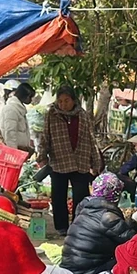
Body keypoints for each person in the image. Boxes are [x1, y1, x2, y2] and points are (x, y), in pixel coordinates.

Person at [61, 172, 137, 274]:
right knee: (129, 260)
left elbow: (117, 232)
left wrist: (134, 220)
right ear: (116, 195)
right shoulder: (107, 217)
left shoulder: (86, 209)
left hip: (71, 269)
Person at [37, 85, 102, 235]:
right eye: (60, 101)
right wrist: (42, 156)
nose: (63, 104)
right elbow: (45, 136)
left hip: (80, 159)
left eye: (66, 101)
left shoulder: (83, 115)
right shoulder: (51, 115)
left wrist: (96, 162)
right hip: (59, 160)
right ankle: (61, 227)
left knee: (81, 195)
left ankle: (79, 226)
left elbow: (91, 139)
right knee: (58, 196)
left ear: (74, 100)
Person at [0, 82, 35, 153]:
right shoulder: (11, 109)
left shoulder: (18, 109)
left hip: (20, 150)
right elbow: (10, 134)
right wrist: (13, 153)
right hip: (14, 152)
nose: (31, 100)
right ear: (25, 96)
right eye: (30, 97)